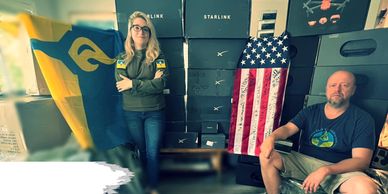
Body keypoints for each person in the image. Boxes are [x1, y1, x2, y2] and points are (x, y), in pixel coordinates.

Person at [259, 70, 383, 194]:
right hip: (304, 162)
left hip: (340, 170)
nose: (337, 90)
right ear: (327, 88)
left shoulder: (363, 119)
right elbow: (288, 128)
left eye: (345, 85)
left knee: (366, 189)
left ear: (353, 90)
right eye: (333, 85)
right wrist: (272, 137)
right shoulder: (311, 111)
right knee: (266, 156)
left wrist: (326, 170)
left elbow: (361, 161)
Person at [115, 11, 168, 194]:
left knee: (152, 152)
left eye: (145, 28)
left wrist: (133, 83)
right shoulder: (122, 59)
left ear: (150, 33)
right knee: (141, 152)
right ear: (130, 31)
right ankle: (142, 186)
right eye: (137, 27)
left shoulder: (158, 57)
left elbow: (161, 84)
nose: (141, 31)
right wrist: (149, 83)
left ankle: (152, 188)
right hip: (131, 112)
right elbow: (121, 86)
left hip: (155, 111)